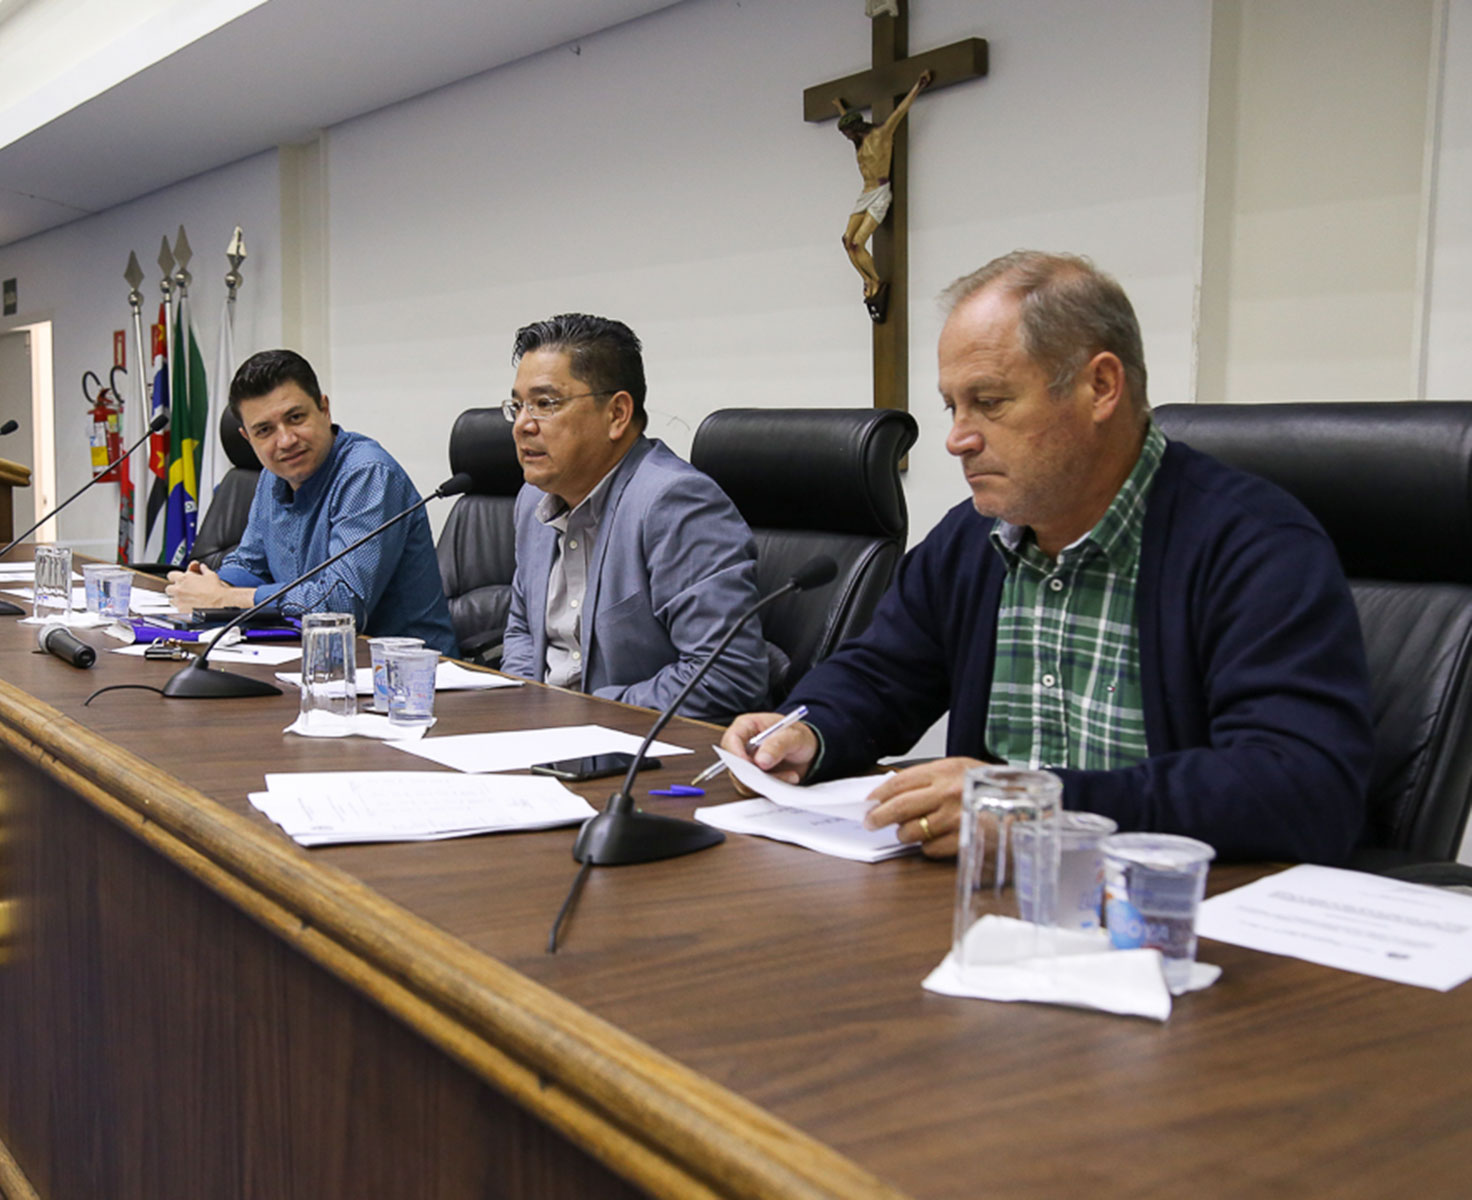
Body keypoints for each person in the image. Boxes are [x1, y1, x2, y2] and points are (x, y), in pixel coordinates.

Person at [722, 252, 1373, 865]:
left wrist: (1042, 803)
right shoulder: (971, 541)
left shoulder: (1253, 545)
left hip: (1178, 918)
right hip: (991, 905)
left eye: (991, 402)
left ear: (1100, 387)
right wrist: (806, 728)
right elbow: (879, 674)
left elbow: (1304, 785)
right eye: (954, 407)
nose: (957, 439)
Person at [500, 313, 769, 722]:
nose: (523, 425)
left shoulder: (674, 503)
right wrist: (523, 709)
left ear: (617, 414)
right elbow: (523, 630)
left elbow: (726, 675)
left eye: (546, 404)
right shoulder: (532, 501)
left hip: (641, 753)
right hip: (544, 741)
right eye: (518, 405)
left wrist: (584, 715)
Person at [166, 349, 458, 655]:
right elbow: (249, 564)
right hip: (312, 659)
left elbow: (343, 605)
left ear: (324, 409)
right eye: (264, 430)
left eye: (295, 418)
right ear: (247, 438)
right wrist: (208, 586)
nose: (286, 440)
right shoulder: (273, 476)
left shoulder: (367, 474)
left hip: (408, 676)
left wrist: (227, 598)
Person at [835, 71, 929, 323]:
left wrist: (918, 86)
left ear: (855, 128)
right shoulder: (858, 141)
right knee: (846, 240)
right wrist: (839, 107)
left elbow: (900, 111)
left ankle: (875, 279)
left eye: (847, 133)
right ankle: (867, 279)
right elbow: (846, 118)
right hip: (864, 193)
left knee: (858, 243)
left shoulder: (881, 134)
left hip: (879, 193)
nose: (846, 138)